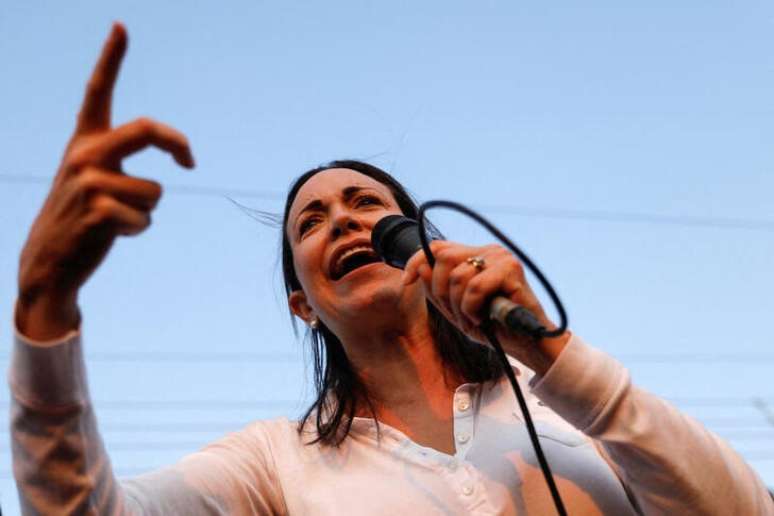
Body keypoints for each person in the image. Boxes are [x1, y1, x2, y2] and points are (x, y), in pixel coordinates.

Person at [10, 23, 773, 515]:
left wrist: (548, 351)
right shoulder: (275, 463)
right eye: (311, 221)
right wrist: (45, 303)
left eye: (365, 204)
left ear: (423, 245)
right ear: (301, 304)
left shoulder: (560, 402)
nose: (342, 218)